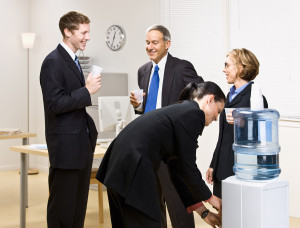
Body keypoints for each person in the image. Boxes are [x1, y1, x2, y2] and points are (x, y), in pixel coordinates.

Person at [97, 81, 224, 228]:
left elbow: (178, 170)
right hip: (133, 168)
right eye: (218, 111)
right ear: (210, 99)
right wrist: (211, 198)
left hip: (119, 167)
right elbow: (188, 168)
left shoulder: (182, 111)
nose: (216, 118)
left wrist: (203, 212)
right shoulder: (194, 114)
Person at [130, 24, 204, 228]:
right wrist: (138, 106)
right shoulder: (143, 71)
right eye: (147, 42)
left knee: (179, 206)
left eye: (154, 42)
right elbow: (148, 105)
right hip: (147, 148)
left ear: (167, 44)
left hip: (171, 148)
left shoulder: (181, 67)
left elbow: (201, 97)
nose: (150, 47)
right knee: (152, 206)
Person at [40, 11, 101, 228]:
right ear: (67, 31)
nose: (87, 37)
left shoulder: (72, 60)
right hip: (66, 149)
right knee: (62, 211)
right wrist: (86, 90)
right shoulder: (53, 61)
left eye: (88, 32)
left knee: (77, 210)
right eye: (83, 32)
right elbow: (54, 104)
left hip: (80, 146)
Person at [206, 48, 268, 198]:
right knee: (224, 217)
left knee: (238, 217)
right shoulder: (230, 95)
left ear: (240, 68)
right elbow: (223, 136)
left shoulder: (256, 98)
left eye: (227, 65)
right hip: (222, 168)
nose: (223, 69)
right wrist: (214, 164)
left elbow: (261, 138)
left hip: (240, 171)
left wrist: (244, 121)